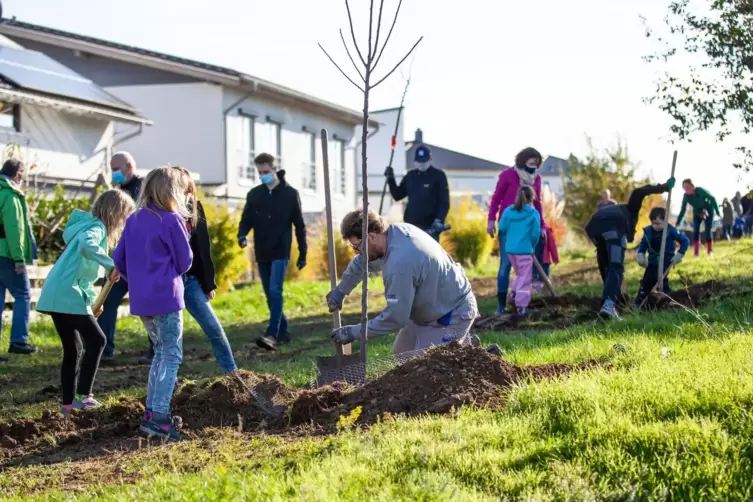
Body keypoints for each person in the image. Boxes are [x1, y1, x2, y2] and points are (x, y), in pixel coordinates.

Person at [36, 190, 134, 414]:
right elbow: (87, 247)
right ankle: (83, 396)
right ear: (115, 212)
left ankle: (68, 405)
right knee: (98, 340)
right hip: (65, 293)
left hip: (57, 292)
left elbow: (80, 274)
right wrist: (112, 265)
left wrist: (90, 303)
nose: (123, 221)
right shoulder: (96, 228)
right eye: (124, 215)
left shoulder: (85, 226)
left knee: (74, 349)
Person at [113, 166, 193, 441]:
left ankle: (151, 412)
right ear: (171, 192)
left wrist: (137, 277)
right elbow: (185, 262)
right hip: (167, 297)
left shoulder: (133, 220)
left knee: (160, 353)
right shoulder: (171, 220)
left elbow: (119, 259)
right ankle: (159, 416)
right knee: (171, 355)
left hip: (141, 299)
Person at [326, 210, 478, 354]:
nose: (356, 252)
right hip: (429, 308)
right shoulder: (392, 234)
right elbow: (360, 263)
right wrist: (341, 291)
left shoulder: (399, 263)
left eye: (357, 246)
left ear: (371, 236)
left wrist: (353, 332)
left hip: (451, 313)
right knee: (401, 354)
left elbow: (395, 317)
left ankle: (476, 357)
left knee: (426, 368)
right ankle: (468, 349)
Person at [140, 167, 238, 374]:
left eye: (188, 189)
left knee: (214, 329)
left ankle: (232, 373)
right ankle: (167, 380)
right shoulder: (159, 214)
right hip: (165, 283)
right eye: (182, 188)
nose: (186, 193)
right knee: (164, 341)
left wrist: (208, 282)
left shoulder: (194, 209)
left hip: (190, 281)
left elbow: (202, 248)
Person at [237, 153, 307, 352]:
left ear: (275, 169)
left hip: (280, 250)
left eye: (266, 172)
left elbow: (300, 226)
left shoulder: (290, 194)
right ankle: (283, 331)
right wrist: (241, 235)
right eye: (259, 173)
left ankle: (272, 334)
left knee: (276, 291)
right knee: (270, 295)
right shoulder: (254, 194)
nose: (263, 176)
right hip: (262, 250)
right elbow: (246, 219)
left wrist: (303, 253)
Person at [585, 177, 675, 320]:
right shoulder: (630, 210)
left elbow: (605, 270)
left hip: (592, 229)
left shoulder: (614, 213)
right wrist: (662, 188)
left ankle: (610, 303)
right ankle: (609, 305)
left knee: (608, 267)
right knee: (616, 266)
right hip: (612, 226)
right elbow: (639, 191)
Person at [487, 147, 547, 314]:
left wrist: (541, 225)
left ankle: (519, 300)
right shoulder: (508, 175)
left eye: (536, 163)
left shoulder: (537, 179)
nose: (534, 166)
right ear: (523, 160)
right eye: (531, 162)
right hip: (509, 226)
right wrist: (491, 220)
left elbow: (538, 202)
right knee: (505, 264)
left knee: (524, 268)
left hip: (527, 228)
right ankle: (501, 304)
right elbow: (496, 199)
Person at [97, 151, 144, 364]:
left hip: (142, 259)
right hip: (122, 257)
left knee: (147, 303)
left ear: (129, 166)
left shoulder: (144, 189)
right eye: (111, 169)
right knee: (108, 301)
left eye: (116, 168)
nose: (114, 173)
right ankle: (105, 348)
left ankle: (157, 349)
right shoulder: (116, 191)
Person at [0, 158, 38, 356]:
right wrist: (19, 259)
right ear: (18, 175)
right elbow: (14, 229)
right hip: (6, 255)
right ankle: (18, 341)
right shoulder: (10, 195)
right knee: (23, 295)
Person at [384, 145, 450, 241]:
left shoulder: (439, 176)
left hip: (430, 228)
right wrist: (390, 179)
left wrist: (439, 220)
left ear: (430, 159)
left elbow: (444, 202)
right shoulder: (410, 176)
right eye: (419, 161)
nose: (421, 164)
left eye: (424, 161)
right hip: (411, 227)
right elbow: (397, 195)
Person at [498, 186, 542, 316]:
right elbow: (536, 233)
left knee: (519, 274)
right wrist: (532, 245)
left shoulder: (508, 211)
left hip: (510, 250)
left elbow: (501, 227)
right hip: (524, 250)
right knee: (525, 278)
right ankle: (521, 306)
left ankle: (514, 294)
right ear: (531, 198)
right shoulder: (533, 213)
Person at [634, 207, 689, 307]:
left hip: (666, 261)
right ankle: (640, 301)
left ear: (665, 220)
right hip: (652, 261)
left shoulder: (670, 230)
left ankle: (667, 299)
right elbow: (643, 244)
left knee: (660, 280)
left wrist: (680, 254)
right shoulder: (648, 231)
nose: (656, 226)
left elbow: (685, 240)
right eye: (653, 223)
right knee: (646, 281)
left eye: (659, 223)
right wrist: (640, 255)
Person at [675, 179, 720, 256]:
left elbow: (712, 199)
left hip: (708, 209)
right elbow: (683, 210)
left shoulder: (700, 190)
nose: (686, 189)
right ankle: (696, 252)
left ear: (692, 186)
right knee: (696, 230)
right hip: (697, 212)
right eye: (684, 188)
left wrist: (718, 212)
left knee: (707, 229)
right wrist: (678, 222)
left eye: (688, 187)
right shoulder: (686, 196)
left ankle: (710, 251)